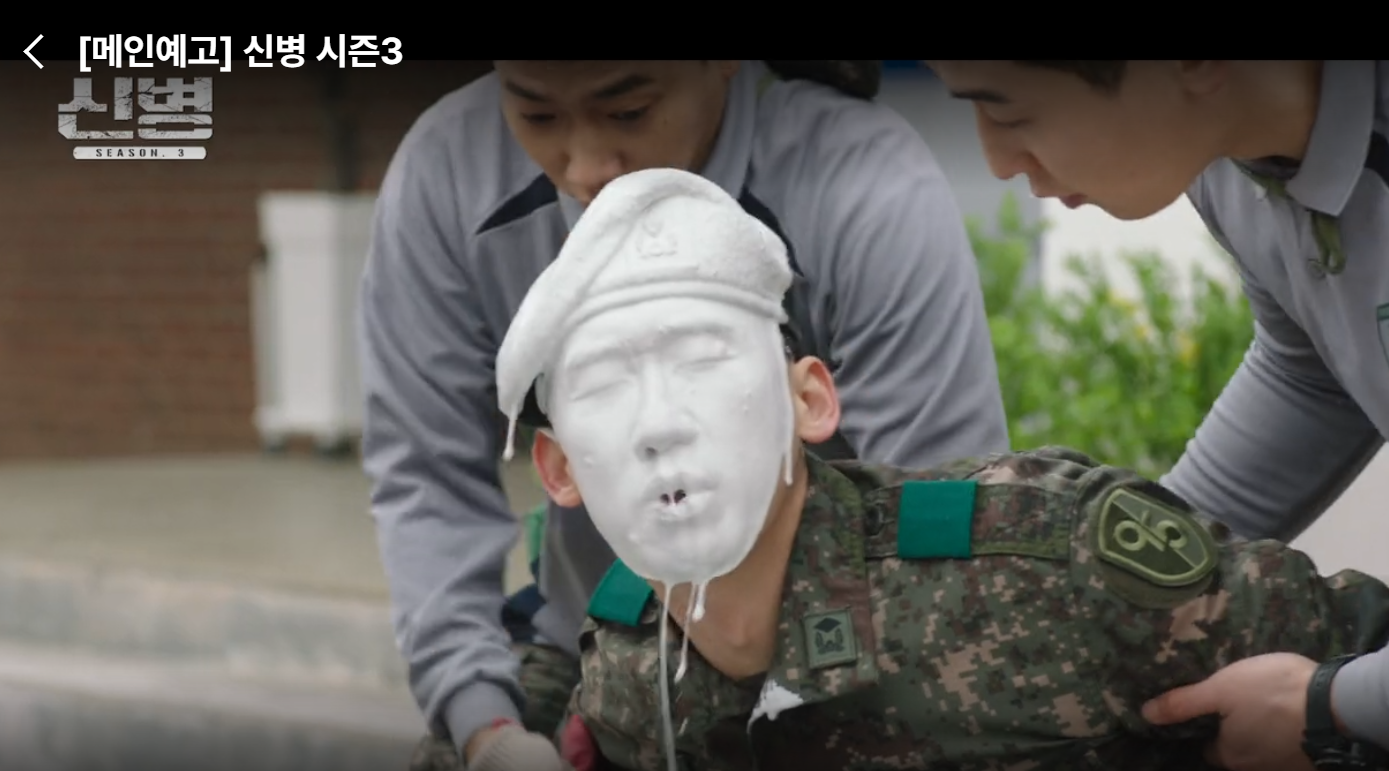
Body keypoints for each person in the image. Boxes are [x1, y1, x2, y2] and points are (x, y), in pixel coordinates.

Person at [491, 165, 1389, 771]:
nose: (658, 423)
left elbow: (1356, 658)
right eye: (606, 387)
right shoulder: (624, 655)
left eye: (700, 361)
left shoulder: (1044, 564)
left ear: (810, 400)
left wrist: (1330, 711)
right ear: (559, 468)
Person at [358, 60, 1011, 770]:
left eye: (628, 110)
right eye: (538, 116)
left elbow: (944, 508)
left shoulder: (864, 181)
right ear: (557, 464)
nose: (587, 166)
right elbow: (427, 477)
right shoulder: (445, 175)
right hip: (589, 641)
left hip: (858, 647)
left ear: (810, 396)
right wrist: (484, 725)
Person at [925, 59, 1389, 770]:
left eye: (1009, 112)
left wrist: (1331, 704)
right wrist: (1118, 571)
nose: (998, 162)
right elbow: (1312, 371)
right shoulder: (1224, 157)